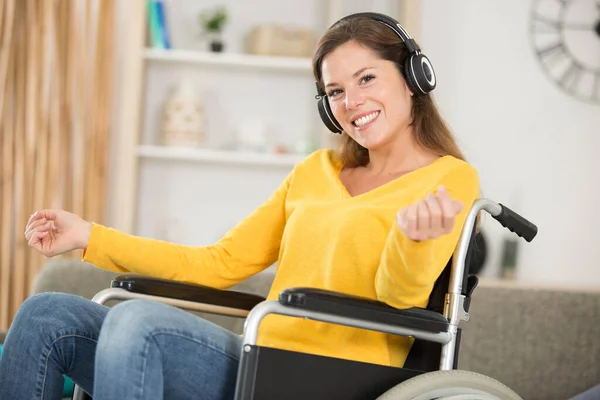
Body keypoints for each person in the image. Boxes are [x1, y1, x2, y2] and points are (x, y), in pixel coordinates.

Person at [0, 12, 480, 400]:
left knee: (137, 320)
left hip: (340, 379)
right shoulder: (315, 171)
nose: (351, 102)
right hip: (262, 358)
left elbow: (397, 298)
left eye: (367, 78)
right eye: (335, 91)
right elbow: (220, 263)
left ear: (414, 77)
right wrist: (89, 235)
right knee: (46, 315)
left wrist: (413, 240)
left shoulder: (450, 178)